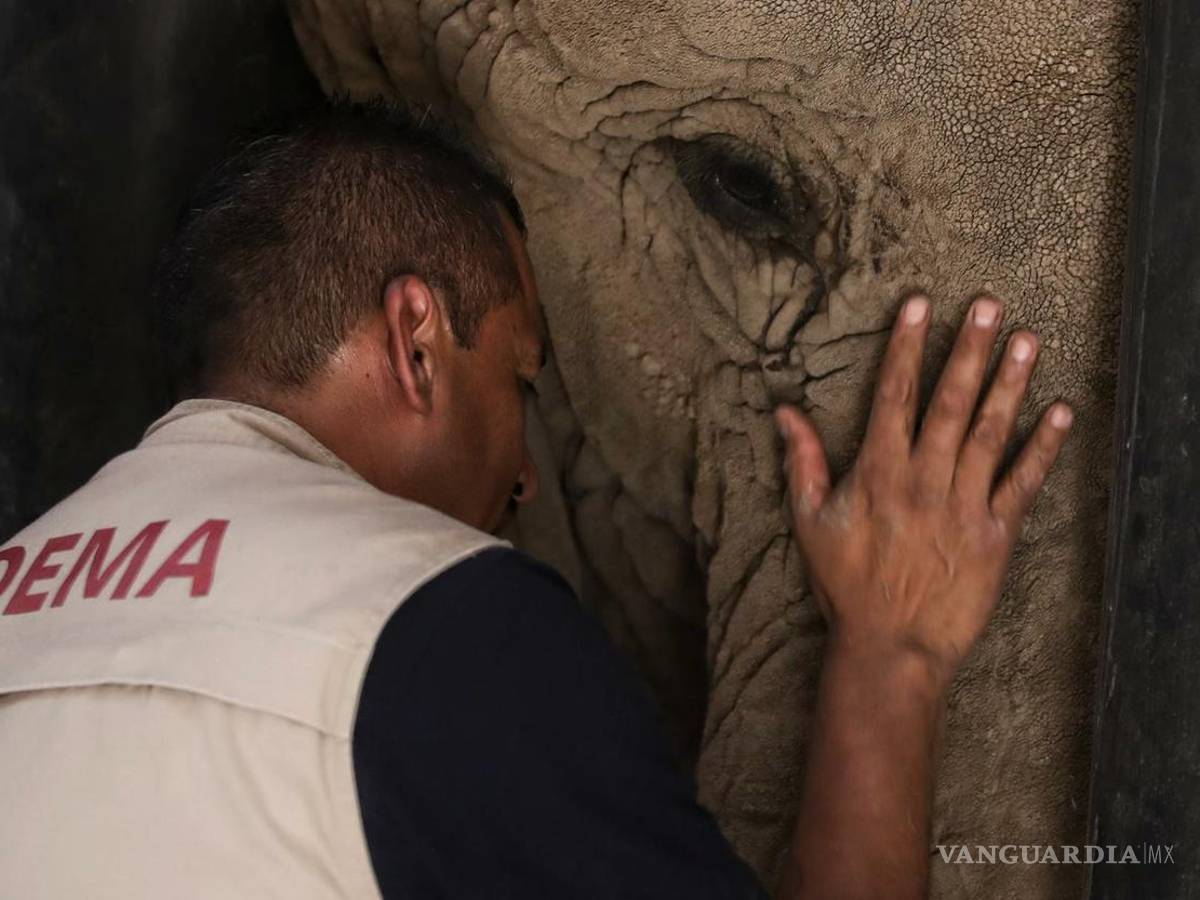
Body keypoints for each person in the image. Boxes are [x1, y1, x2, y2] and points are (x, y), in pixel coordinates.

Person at [0, 100, 1071, 900]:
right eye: (519, 381)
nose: (522, 478)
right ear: (416, 342)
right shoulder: (435, 619)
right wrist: (894, 653)